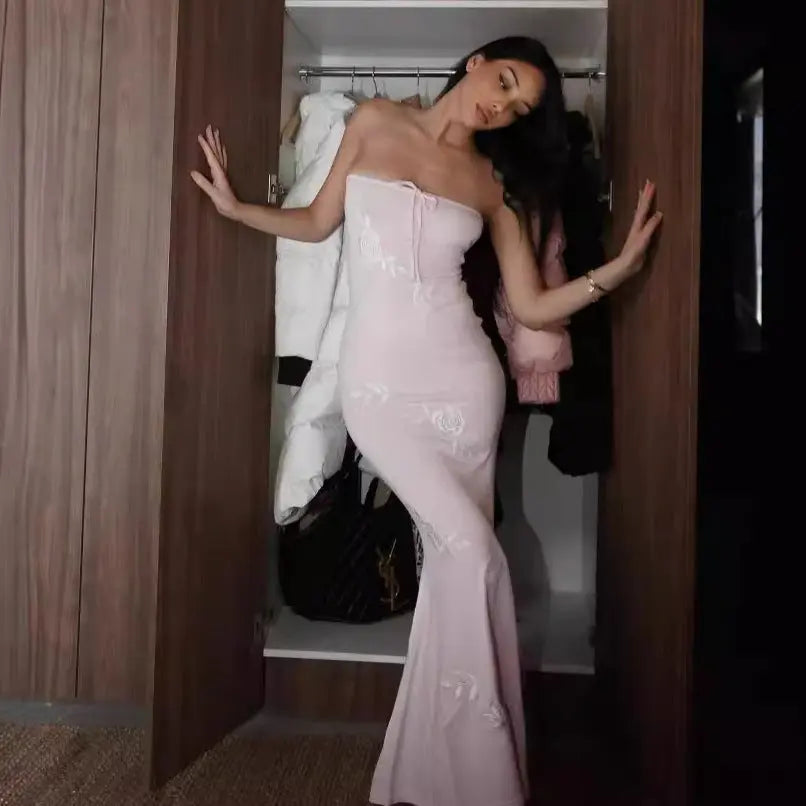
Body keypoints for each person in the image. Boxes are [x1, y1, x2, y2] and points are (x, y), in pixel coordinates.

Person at [192, 36, 662, 806]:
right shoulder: (374, 121)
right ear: (476, 62)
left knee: (455, 569)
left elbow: (531, 304)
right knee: (476, 555)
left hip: (467, 388)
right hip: (378, 390)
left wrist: (616, 270)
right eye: (503, 82)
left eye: (519, 107)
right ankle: (488, 776)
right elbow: (317, 222)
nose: (501, 106)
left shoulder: (492, 181)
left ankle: (429, 774)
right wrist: (236, 207)